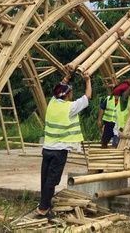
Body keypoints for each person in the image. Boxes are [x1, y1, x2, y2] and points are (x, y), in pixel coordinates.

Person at [37, 72, 91, 219]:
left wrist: (67, 77)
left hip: (47, 148)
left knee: (45, 178)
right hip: (59, 151)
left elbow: (58, 90)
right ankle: (43, 209)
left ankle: (44, 203)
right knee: (52, 180)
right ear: (67, 95)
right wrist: (87, 80)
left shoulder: (52, 103)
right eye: (70, 92)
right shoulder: (70, 107)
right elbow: (87, 97)